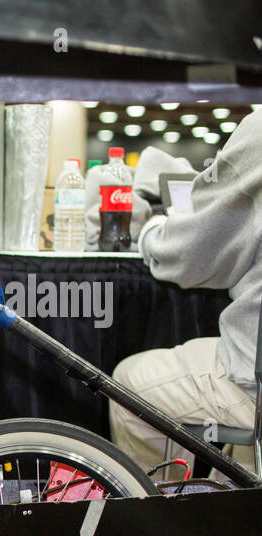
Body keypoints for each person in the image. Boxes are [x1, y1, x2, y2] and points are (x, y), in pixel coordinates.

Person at [108, 109, 262, 473]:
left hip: (254, 383)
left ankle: (162, 522)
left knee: (130, 387)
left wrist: (151, 232)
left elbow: (191, 256)